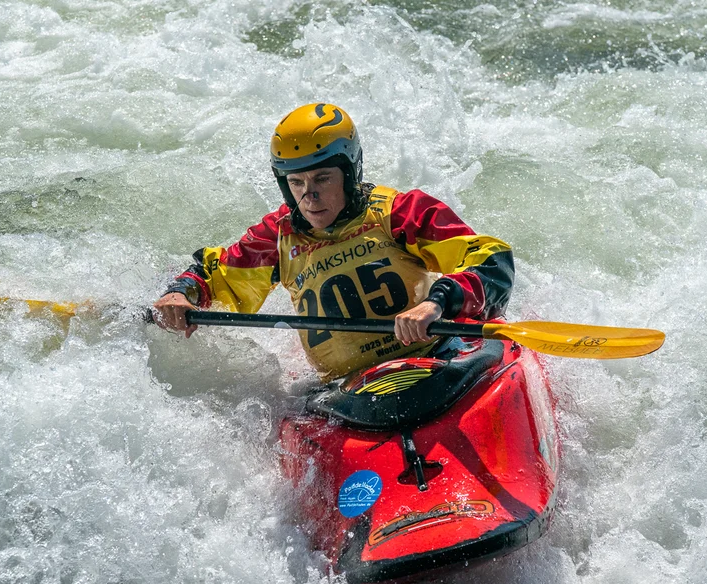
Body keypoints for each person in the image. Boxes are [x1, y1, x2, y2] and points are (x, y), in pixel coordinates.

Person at [152, 102, 515, 381]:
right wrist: (182, 293)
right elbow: (213, 275)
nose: (309, 197)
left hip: (436, 358)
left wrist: (438, 302)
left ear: (350, 172)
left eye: (322, 178)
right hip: (345, 391)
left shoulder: (400, 213)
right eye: (296, 183)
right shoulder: (277, 237)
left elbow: (491, 258)